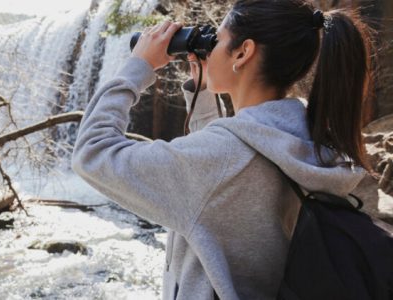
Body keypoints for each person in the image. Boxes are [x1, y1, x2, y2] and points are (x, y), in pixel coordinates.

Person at [71, 0, 375, 299]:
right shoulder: (310, 137)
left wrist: (139, 67)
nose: (209, 48)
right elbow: (223, 182)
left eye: (216, 40)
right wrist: (202, 92)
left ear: (243, 52)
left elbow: (92, 152)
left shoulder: (222, 159)